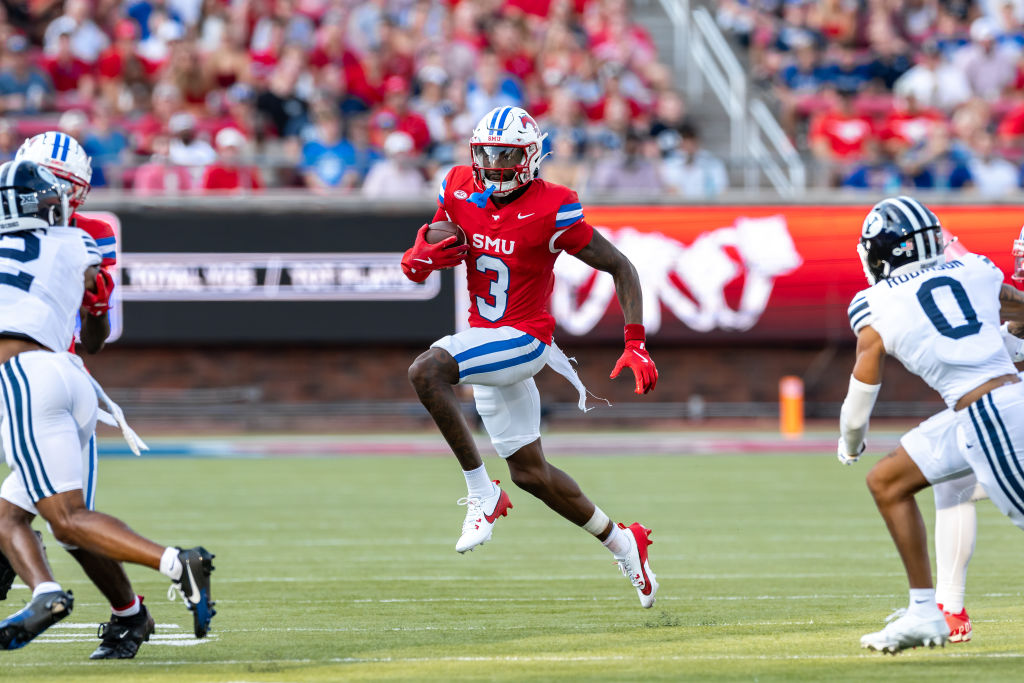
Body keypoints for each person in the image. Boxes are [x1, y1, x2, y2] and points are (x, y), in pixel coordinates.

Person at [402, 106, 660, 608]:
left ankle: (482, 492)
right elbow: (426, 251)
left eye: (506, 156)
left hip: (524, 339)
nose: (494, 165)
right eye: (487, 154)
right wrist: (417, 257)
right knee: (531, 473)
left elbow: (621, 266)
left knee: (426, 370)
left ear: (531, 158)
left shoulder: (553, 206)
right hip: (486, 339)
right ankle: (624, 542)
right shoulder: (457, 186)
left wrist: (635, 341)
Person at [0, 160, 215, 650]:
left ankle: (175, 562)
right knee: (12, 518)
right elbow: (93, 319)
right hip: (74, 378)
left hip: (23, 377)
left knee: (68, 519)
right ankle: (69, 599)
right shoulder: (76, 242)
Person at [837, 196, 1024, 654]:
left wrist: (850, 443)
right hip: (987, 407)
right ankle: (925, 611)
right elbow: (1019, 311)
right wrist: (1001, 341)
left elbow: (861, 396)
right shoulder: (976, 269)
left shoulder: (874, 304)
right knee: (887, 481)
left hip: (991, 414)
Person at [2, 131, 145, 657]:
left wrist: (98, 308)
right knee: (43, 519)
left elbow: (94, 338)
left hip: (46, 378)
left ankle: (129, 613)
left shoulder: (88, 236)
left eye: (62, 184)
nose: (52, 191)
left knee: (70, 522)